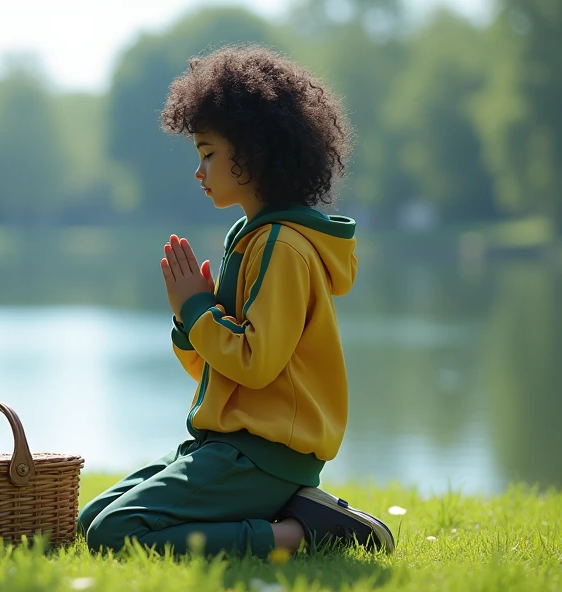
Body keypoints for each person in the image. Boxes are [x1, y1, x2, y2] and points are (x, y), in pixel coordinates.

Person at [77, 45, 395, 558]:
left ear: (254, 154)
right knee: (91, 519)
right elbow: (219, 374)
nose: (199, 171)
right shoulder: (248, 237)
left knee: (113, 534)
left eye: (208, 153)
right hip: (227, 445)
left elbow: (255, 362)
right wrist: (189, 318)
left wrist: (198, 311)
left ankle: (302, 534)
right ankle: (286, 514)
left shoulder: (282, 247)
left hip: (263, 455)